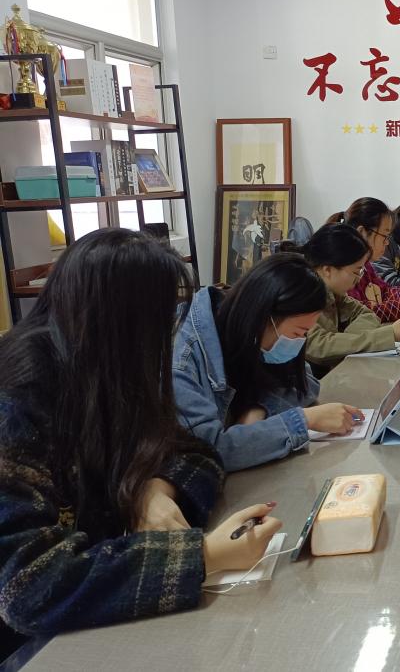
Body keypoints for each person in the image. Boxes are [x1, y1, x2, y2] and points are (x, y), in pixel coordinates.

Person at [0, 229, 281, 658]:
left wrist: (153, 489)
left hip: (93, 601)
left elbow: (194, 450)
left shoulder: (103, 368)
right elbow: (28, 588)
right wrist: (204, 556)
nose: (167, 335)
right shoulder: (17, 401)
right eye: (159, 319)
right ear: (119, 319)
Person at [174, 253, 364, 472]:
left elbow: (305, 384)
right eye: (297, 333)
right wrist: (302, 420)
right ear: (264, 317)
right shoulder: (185, 358)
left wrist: (259, 408)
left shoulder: (252, 335)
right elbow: (209, 452)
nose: (300, 342)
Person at [282, 223, 400, 375]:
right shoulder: (299, 293)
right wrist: (388, 335)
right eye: (356, 272)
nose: (358, 279)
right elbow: (318, 347)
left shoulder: (332, 292)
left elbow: (366, 314)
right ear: (327, 269)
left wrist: (345, 341)